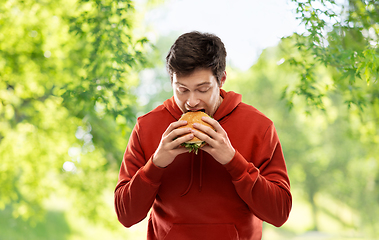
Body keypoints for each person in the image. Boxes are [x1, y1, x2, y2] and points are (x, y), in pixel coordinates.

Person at [114, 31, 292, 240]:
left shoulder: (259, 126)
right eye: (182, 89)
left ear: (221, 79)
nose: (191, 102)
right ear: (172, 81)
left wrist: (233, 161)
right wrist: (156, 163)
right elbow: (126, 216)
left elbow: (279, 214)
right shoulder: (146, 126)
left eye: (203, 89)